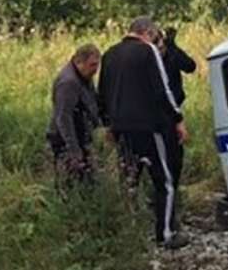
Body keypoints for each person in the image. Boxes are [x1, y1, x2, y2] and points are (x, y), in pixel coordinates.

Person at [99, 17, 189, 249]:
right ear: (147, 33)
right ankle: (166, 233)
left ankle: (129, 234)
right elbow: (162, 89)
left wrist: (108, 123)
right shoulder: (147, 52)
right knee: (165, 181)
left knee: (129, 181)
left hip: (121, 128)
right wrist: (177, 118)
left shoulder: (109, 54)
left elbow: (103, 93)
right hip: (148, 126)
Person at [154, 27, 196, 228]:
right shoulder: (149, 61)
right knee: (165, 163)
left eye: (163, 45)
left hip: (175, 112)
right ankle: (165, 215)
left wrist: (173, 47)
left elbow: (190, 66)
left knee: (176, 161)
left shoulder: (170, 55)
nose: (161, 49)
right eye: (159, 46)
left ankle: (173, 205)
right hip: (158, 116)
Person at [46, 44, 102, 185]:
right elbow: (63, 117)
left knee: (88, 181)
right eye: (92, 65)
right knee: (70, 184)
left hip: (81, 135)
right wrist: (74, 150)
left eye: (97, 65)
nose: (95, 70)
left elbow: (91, 102)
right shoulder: (68, 82)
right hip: (66, 140)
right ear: (79, 62)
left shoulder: (83, 76)